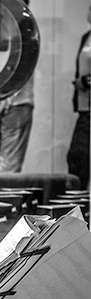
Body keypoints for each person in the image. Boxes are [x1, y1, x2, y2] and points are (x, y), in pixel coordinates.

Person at [0, 0, 34, 178]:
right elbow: (22, 66)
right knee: (8, 161)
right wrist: (4, 97)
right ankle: (3, 204)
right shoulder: (27, 29)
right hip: (16, 101)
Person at [67, 3, 91, 191]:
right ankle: (80, 206)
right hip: (84, 108)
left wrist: (85, 81)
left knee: (80, 155)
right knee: (77, 157)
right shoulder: (86, 37)